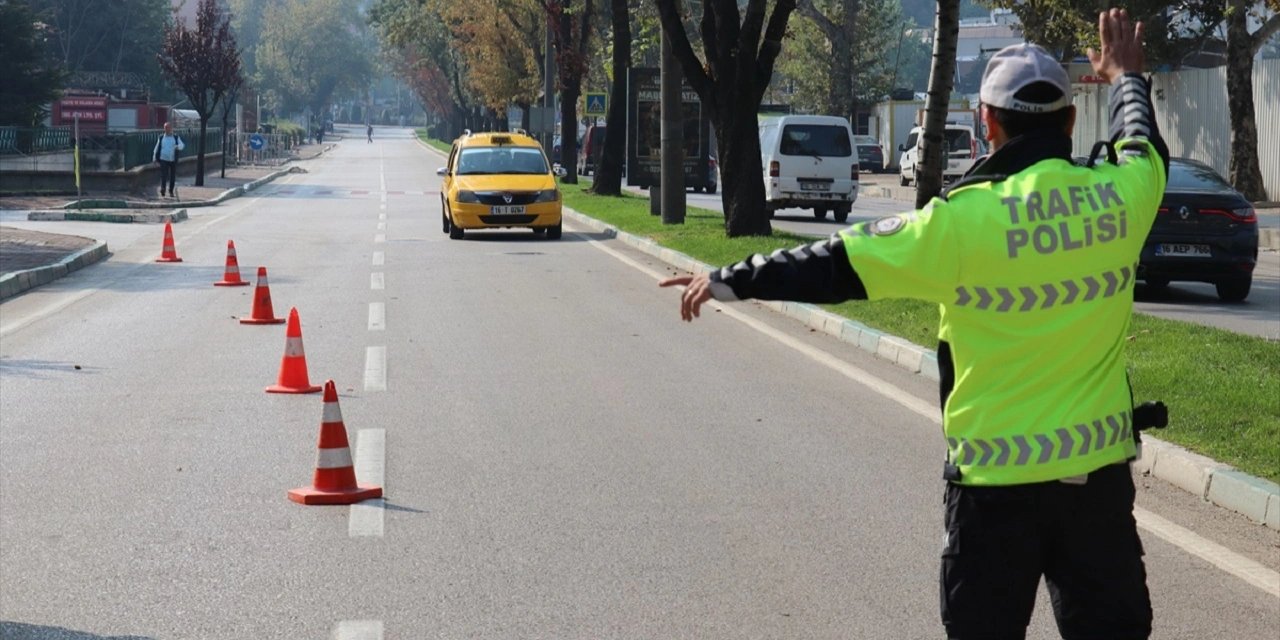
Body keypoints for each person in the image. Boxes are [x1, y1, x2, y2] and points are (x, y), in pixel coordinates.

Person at [660, 9, 1168, 640]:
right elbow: (1142, 140)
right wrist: (1126, 76)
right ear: (1069, 121)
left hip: (993, 496)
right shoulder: (1122, 198)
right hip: (1097, 496)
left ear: (986, 123)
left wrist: (733, 278)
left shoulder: (956, 223)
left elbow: (833, 264)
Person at [152, 122, 185, 199]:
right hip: (163, 158)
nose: (167, 129)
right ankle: (163, 189)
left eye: (168, 128)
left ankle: (171, 190)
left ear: (171, 128)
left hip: (173, 159)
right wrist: (154, 158)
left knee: (172, 176)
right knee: (164, 175)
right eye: (165, 128)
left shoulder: (176, 137)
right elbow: (156, 148)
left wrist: (177, 147)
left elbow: (182, 145)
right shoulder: (161, 137)